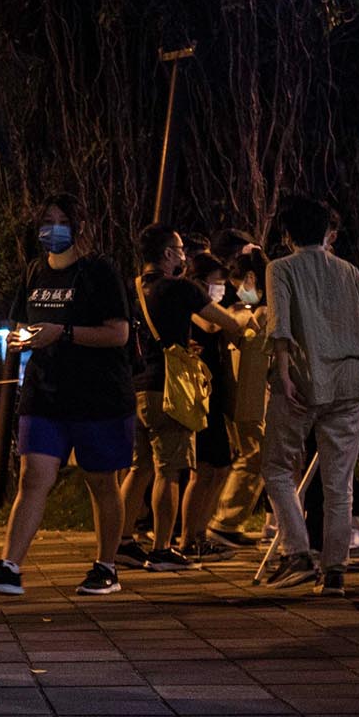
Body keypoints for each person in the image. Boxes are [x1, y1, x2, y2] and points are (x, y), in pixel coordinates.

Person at [0, 192, 132, 598]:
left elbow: (119, 333)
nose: (52, 228)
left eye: (61, 220)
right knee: (33, 476)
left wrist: (66, 333)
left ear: (78, 226)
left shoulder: (99, 272)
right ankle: (10, 567)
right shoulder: (34, 272)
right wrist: (18, 339)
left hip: (98, 397)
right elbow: (23, 323)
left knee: (101, 482)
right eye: (46, 219)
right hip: (44, 394)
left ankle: (106, 567)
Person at [258, 194, 359, 595]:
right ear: (328, 233)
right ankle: (334, 572)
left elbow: (279, 326)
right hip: (352, 383)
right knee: (340, 481)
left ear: (286, 235)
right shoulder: (349, 271)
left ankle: (298, 554)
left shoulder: (280, 268)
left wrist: (283, 376)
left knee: (277, 469)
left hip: (302, 380)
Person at [117, 225, 245, 571]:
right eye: (180, 249)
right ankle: (161, 548)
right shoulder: (181, 288)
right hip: (169, 390)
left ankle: (122, 542)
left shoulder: (131, 288)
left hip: (137, 387)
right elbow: (225, 322)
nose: (185, 256)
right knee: (169, 471)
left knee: (138, 468)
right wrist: (248, 315)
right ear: (167, 254)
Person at [175, 251, 251, 560]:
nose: (220, 288)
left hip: (214, 391)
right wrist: (234, 314)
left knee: (219, 467)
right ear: (199, 282)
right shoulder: (191, 305)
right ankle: (188, 540)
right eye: (215, 283)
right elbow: (211, 326)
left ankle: (200, 534)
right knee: (202, 470)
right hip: (197, 394)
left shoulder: (207, 304)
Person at [208, 238, 272, 546]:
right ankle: (225, 522)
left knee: (252, 455)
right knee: (253, 455)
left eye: (237, 281)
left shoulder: (255, 312)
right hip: (249, 398)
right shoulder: (252, 313)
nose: (236, 288)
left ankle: (227, 522)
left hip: (246, 394)